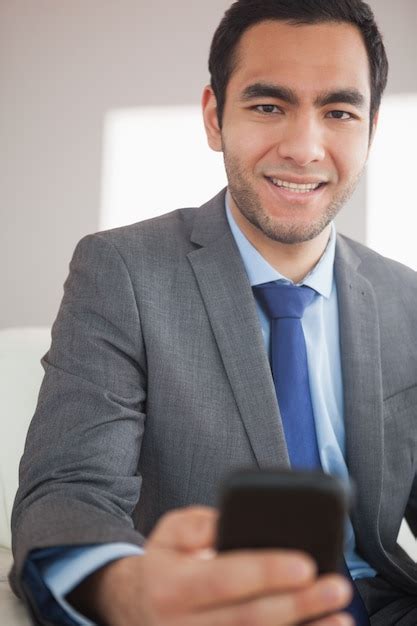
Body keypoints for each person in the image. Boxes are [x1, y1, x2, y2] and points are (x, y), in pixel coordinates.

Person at [9, 0, 417, 624]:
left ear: (370, 130)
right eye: (267, 106)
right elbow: (69, 491)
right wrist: (129, 590)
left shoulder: (406, 297)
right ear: (213, 117)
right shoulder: (121, 271)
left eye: (338, 111)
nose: (304, 148)